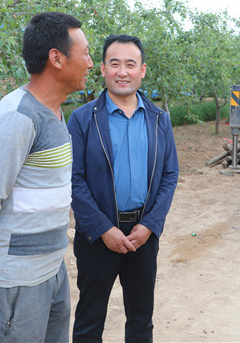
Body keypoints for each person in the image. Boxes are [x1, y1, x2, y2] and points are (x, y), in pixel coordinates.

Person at [0, 11, 94, 342]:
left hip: (49, 271)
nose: (90, 63)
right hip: (14, 281)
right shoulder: (18, 117)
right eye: (86, 53)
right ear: (57, 58)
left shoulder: (54, 112)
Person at [67, 34, 179, 342]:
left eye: (130, 64)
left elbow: (170, 174)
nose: (122, 72)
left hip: (142, 235)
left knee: (141, 320)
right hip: (97, 236)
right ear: (103, 69)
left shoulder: (159, 119)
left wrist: (150, 225)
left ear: (142, 70)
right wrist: (103, 228)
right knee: (89, 320)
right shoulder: (83, 119)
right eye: (114, 64)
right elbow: (74, 179)